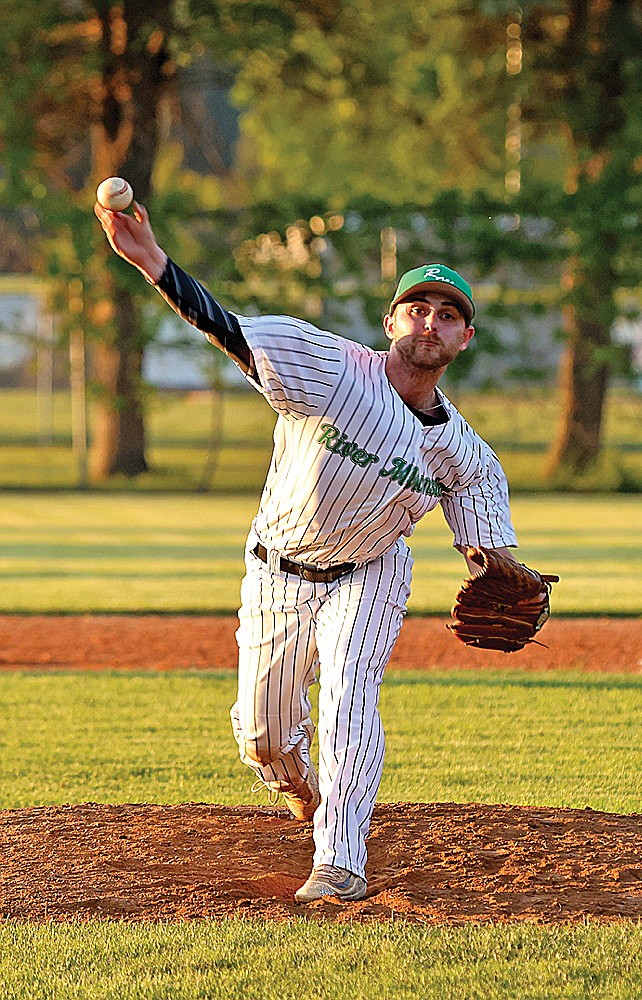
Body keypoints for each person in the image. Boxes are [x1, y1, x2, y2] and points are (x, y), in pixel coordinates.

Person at [95, 199, 519, 904]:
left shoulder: (466, 453)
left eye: (447, 314)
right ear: (391, 322)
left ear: (464, 338)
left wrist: (495, 571)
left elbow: (490, 548)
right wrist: (152, 262)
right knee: (262, 738)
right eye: (417, 308)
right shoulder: (329, 367)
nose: (430, 323)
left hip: (371, 572)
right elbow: (226, 330)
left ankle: (340, 862)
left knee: (351, 694)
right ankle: (299, 787)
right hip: (277, 568)